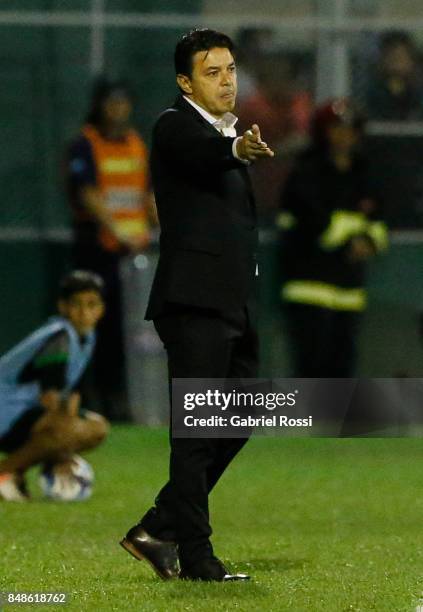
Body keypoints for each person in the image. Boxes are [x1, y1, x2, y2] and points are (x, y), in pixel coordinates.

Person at [120, 28, 274, 582]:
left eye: (231, 69)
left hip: (234, 305)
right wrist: (236, 149)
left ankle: (158, 528)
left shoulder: (227, 131)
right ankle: (198, 559)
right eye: (212, 72)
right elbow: (209, 155)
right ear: (185, 82)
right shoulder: (175, 127)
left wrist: (234, 144)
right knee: (196, 434)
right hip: (194, 305)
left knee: (242, 419)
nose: (226, 80)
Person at [277, 99, 388, 379]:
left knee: (343, 361)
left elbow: (379, 223)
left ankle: (335, 418)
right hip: (308, 286)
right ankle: (310, 419)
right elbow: (311, 223)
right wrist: (352, 237)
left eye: (351, 129)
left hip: (348, 289)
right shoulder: (307, 172)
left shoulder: (366, 173)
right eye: (336, 128)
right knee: (312, 361)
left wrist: (368, 241)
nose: (344, 135)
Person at [67, 77, 154, 420]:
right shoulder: (85, 145)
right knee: (92, 324)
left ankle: (120, 399)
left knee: (126, 329)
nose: (118, 109)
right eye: (111, 102)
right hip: (97, 249)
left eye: (123, 102)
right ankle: (89, 396)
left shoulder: (135, 144)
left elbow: (146, 194)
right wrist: (117, 230)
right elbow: (88, 194)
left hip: (133, 254)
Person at [0, 271, 109, 501]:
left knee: (97, 427)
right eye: (76, 304)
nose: (84, 313)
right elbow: (50, 401)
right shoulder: (59, 338)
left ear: (101, 309)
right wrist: (62, 456)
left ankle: (13, 474)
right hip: (6, 412)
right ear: (63, 307)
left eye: (92, 305)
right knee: (64, 429)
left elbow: (72, 395)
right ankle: (5, 473)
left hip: (19, 415)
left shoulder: (87, 337)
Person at [366, 31, 423, 121]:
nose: (396, 65)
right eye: (391, 58)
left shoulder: (418, 91)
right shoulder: (374, 92)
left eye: (400, 58)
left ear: (412, 61)